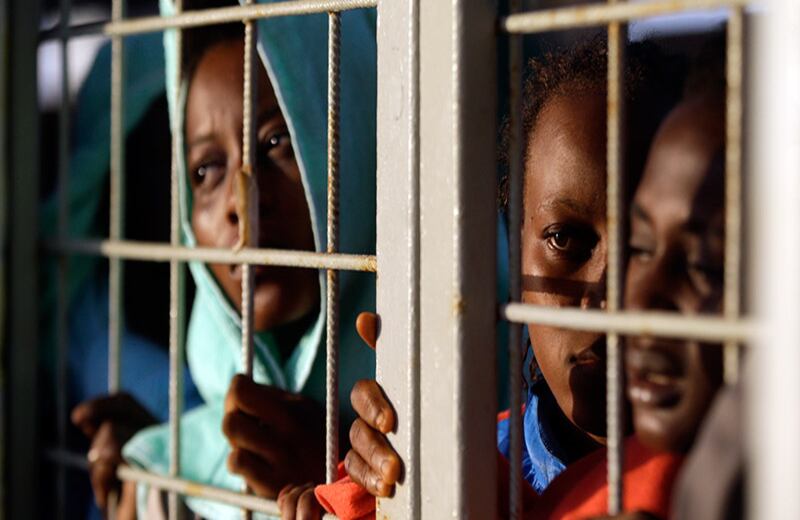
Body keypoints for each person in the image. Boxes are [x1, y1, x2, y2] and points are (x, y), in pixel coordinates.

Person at [278, 39, 681, 519]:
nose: (602, 296)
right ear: (516, 248)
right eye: (563, 239)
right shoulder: (448, 459)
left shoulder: (739, 480)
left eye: (643, 247)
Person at [74, 0, 378, 517]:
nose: (242, 201)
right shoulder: (176, 461)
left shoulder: (471, 388)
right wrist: (156, 459)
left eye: (277, 141)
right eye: (206, 170)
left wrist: (343, 481)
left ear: (353, 137)